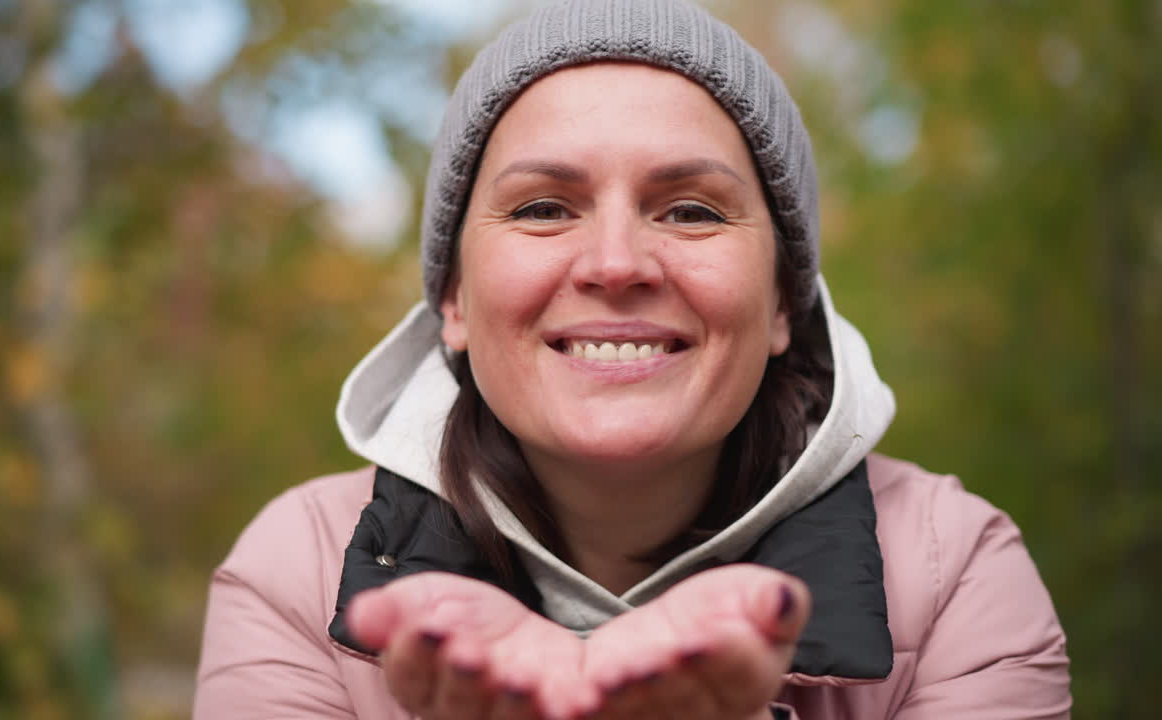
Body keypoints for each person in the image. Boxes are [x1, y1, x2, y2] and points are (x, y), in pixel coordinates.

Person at [193, 1, 1071, 718]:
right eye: (542, 208)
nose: (616, 264)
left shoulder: (954, 567)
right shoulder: (297, 572)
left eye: (691, 211)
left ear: (779, 305)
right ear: (452, 302)